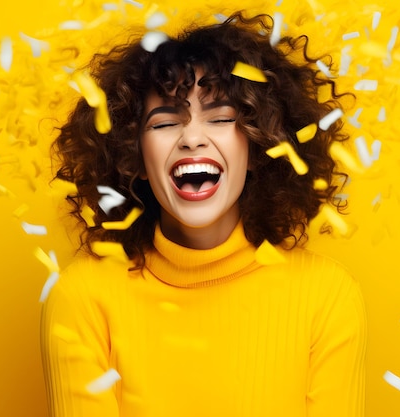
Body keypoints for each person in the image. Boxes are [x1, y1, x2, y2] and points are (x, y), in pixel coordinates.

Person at [41, 11, 366, 417]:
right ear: (134, 157)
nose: (192, 138)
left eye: (221, 118)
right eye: (164, 123)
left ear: (259, 145)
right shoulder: (83, 297)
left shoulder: (326, 296)